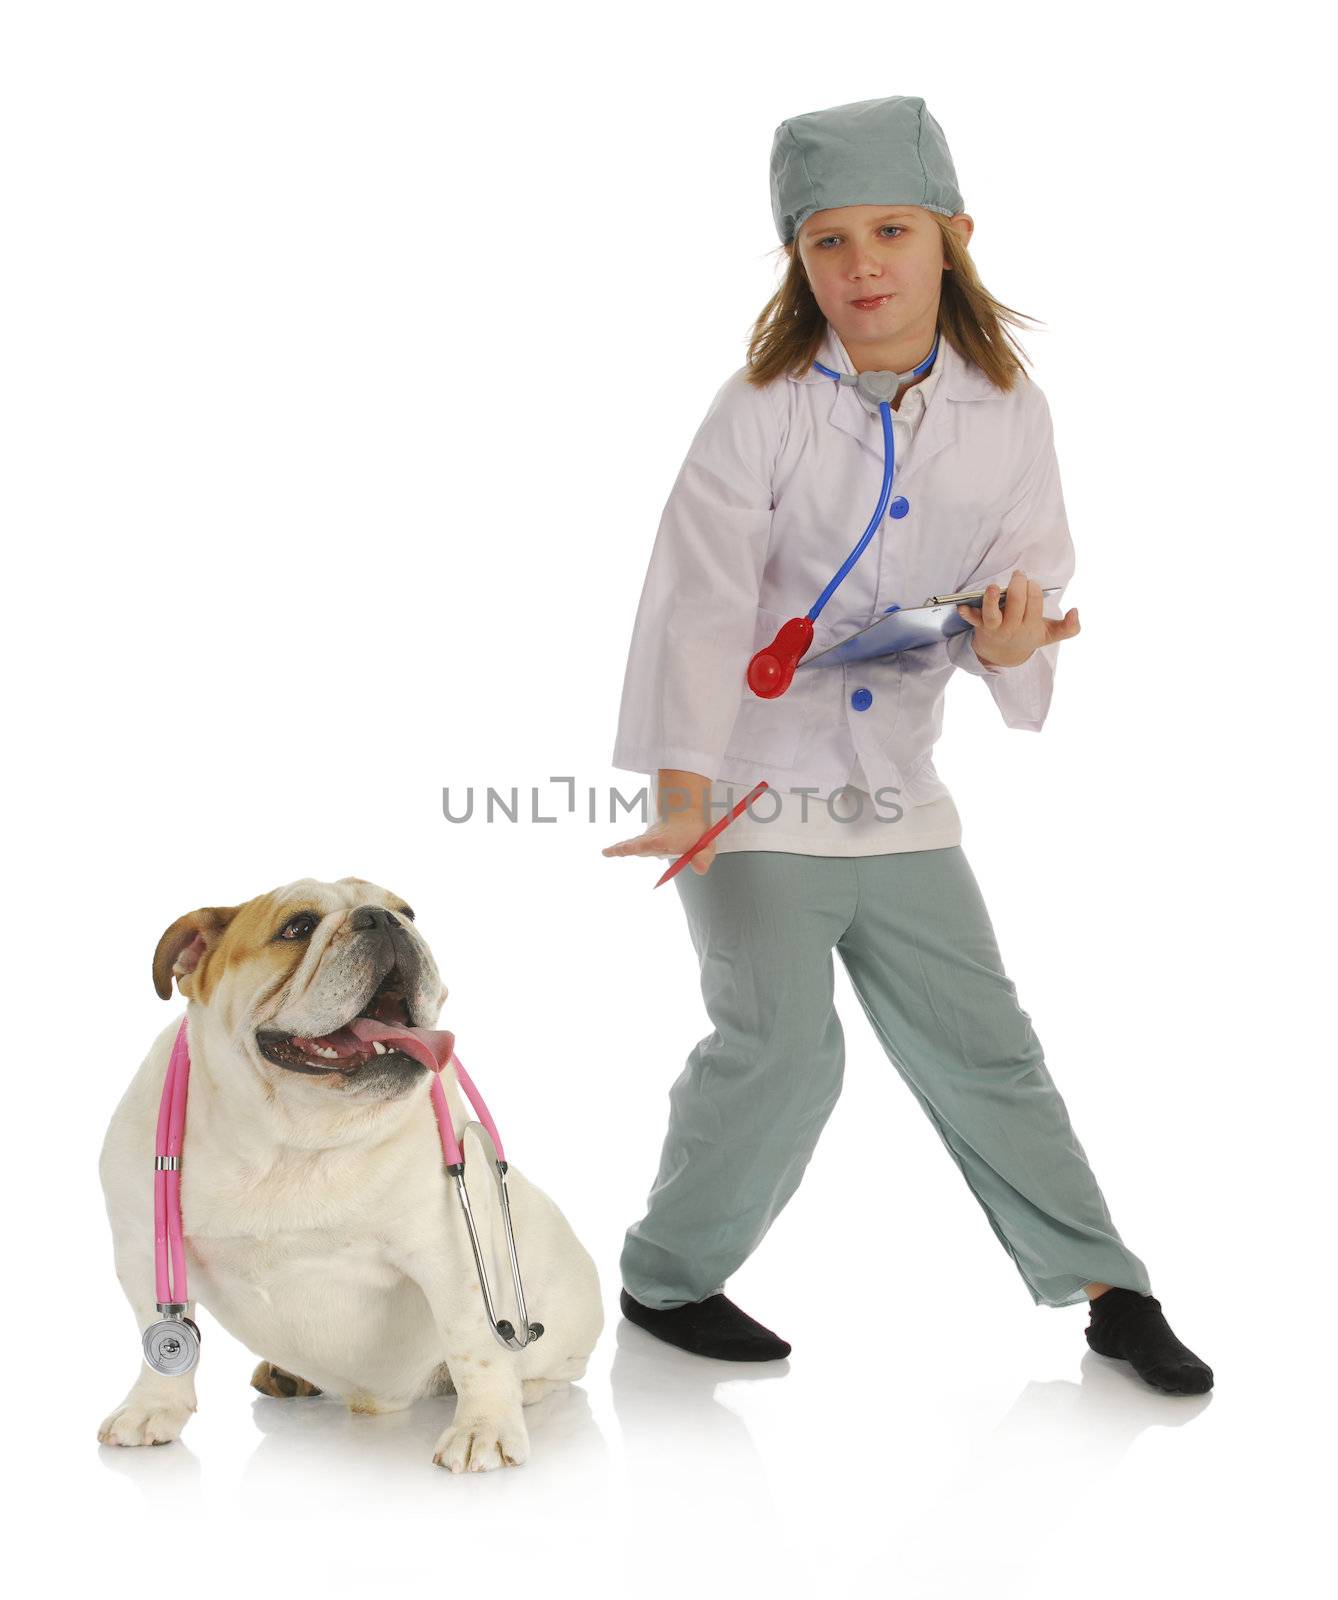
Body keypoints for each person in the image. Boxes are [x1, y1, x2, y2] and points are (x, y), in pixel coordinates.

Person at [603, 95, 1211, 1396]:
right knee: (781, 1048)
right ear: (796, 261)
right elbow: (697, 599)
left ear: (952, 237)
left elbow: (1026, 587)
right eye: (826, 240)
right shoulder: (761, 405)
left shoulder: (1005, 406)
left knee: (985, 1045)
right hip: (751, 788)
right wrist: (681, 788)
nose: (860, 264)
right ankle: (666, 1276)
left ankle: (1111, 1292)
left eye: (890, 230)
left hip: (898, 794)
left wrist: (1008, 650)